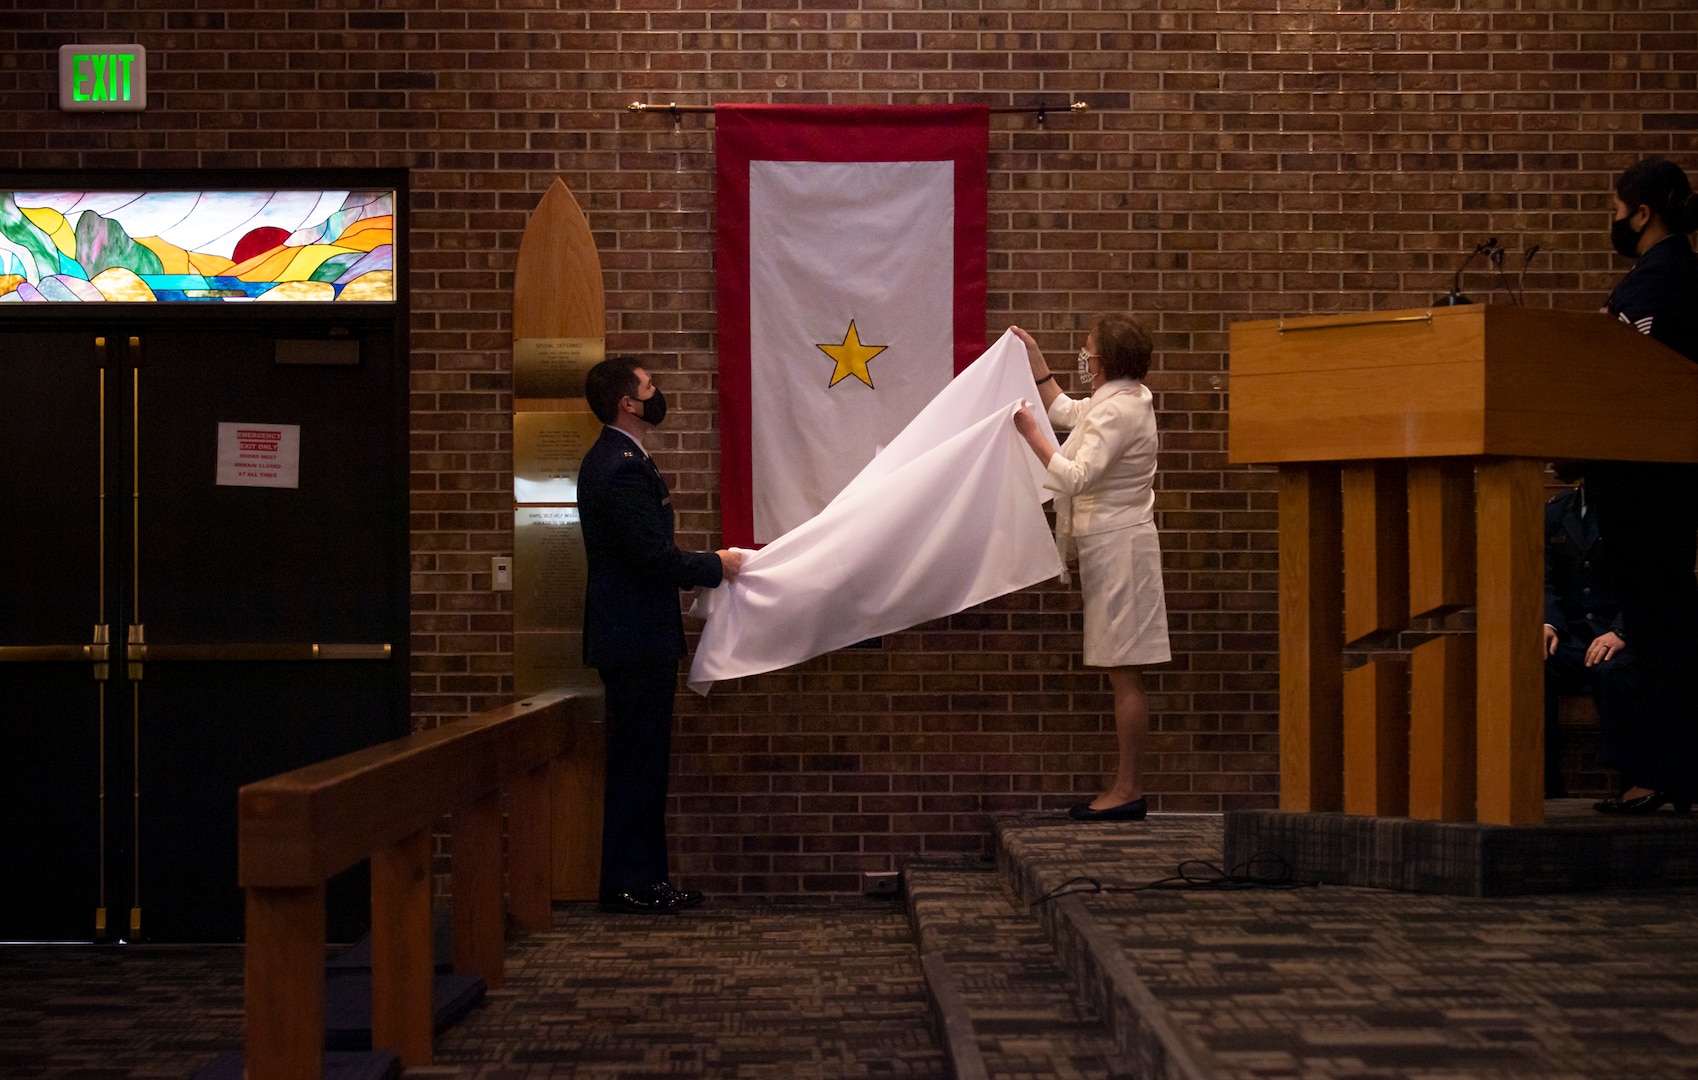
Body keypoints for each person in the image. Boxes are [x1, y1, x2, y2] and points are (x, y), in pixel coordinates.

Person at [579, 357, 741, 911]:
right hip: (634, 639)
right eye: (649, 386)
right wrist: (716, 565)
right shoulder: (621, 465)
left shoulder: (622, 457)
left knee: (643, 764)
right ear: (628, 402)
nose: (657, 393)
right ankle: (631, 884)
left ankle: (641, 880)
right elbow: (649, 555)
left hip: (634, 635)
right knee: (638, 766)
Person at [1011, 315, 1171, 821]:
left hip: (1121, 550)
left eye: (1089, 349)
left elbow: (1076, 476)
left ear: (1106, 360)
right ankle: (1126, 787)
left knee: (1124, 669)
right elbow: (1067, 410)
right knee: (1119, 668)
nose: (1085, 355)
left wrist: (1031, 435)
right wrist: (1036, 361)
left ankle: (1127, 791)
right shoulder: (1120, 401)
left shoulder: (1119, 412)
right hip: (1115, 548)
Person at [1585, 158, 1698, 814]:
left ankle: (1661, 773)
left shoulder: (1658, 283)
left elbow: (1635, 378)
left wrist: (1603, 332)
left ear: (1641, 211)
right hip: (1669, 476)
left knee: (1661, 628)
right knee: (1668, 619)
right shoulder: (1679, 275)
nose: (1614, 219)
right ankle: (1671, 774)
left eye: (1615, 207)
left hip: (1644, 479)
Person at [1542, 464, 1635, 800]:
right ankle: (1545, 787)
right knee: (1532, 668)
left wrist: (1621, 631)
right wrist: (1548, 623)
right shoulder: (1556, 510)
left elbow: (1653, 584)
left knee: (1612, 674)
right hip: (1573, 638)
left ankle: (1634, 785)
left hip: (1622, 638)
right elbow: (1545, 577)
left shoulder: (1633, 511)